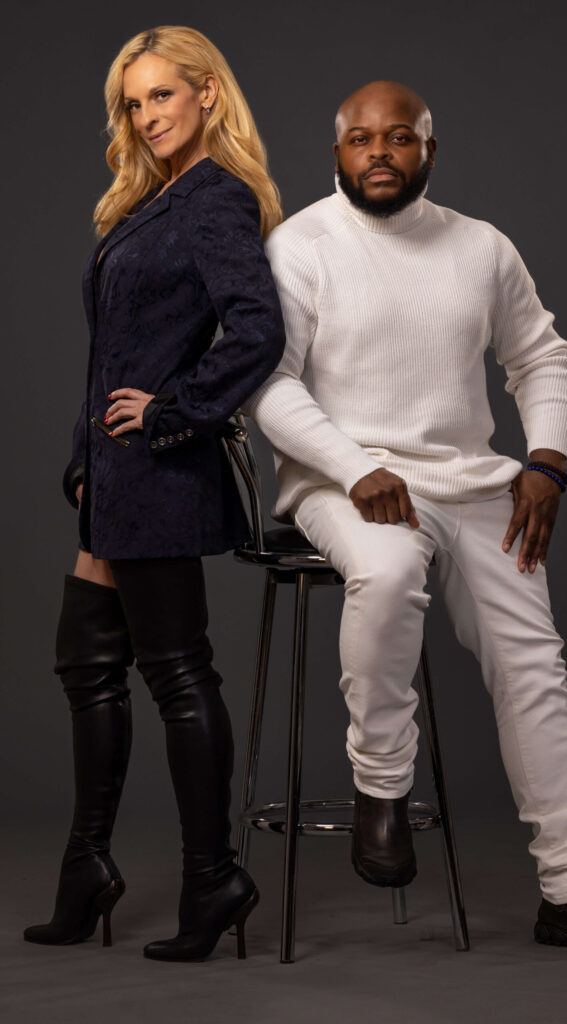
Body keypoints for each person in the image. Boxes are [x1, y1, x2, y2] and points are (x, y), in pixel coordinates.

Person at [245, 81, 567, 954]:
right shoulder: (303, 246)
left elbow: (541, 358)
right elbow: (269, 383)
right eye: (360, 139)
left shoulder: (480, 247)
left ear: (429, 151)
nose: (379, 152)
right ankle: (381, 790)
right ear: (336, 154)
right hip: (344, 480)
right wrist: (357, 467)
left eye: (400, 137)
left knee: (532, 666)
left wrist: (545, 462)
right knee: (391, 570)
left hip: (473, 485)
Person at [23, 26, 285, 962]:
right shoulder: (150, 200)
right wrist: (84, 453)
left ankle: (212, 879)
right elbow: (111, 354)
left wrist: (177, 413)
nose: (145, 116)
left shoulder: (213, 199)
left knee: (176, 673)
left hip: (163, 473)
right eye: (133, 103)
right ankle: (87, 867)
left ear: (208, 93)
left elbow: (256, 332)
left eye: (161, 97)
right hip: (116, 476)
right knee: (87, 665)